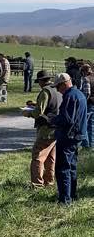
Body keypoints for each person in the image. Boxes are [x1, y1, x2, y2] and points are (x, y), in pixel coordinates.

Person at [50, 73, 87, 206]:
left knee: (62, 167)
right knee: (71, 166)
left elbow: (67, 119)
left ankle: (64, 200)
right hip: (77, 135)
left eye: (58, 87)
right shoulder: (79, 94)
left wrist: (52, 119)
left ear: (64, 84)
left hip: (68, 136)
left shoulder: (69, 96)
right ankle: (72, 194)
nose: (57, 90)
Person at [24, 71, 61, 189]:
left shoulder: (45, 91)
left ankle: (37, 184)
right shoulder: (57, 90)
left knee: (37, 156)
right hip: (56, 128)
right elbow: (52, 106)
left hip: (46, 129)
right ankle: (49, 182)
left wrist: (27, 113)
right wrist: (35, 104)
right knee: (51, 158)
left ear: (41, 81)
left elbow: (38, 113)